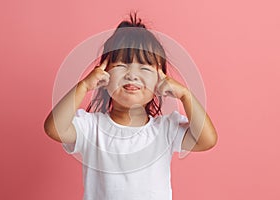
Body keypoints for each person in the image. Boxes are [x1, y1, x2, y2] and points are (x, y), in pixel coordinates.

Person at [44, 13, 218, 200]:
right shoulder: (91, 127)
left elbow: (206, 140)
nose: (132, 75)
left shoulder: (165, 129)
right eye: (121, 65)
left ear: (160, 81)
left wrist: (186, 95)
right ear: (103, 74)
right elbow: (54, 128)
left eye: (144, 68)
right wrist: (84, 86)